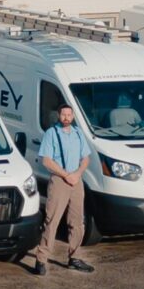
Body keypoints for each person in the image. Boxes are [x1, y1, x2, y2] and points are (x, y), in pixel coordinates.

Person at [31, 105, 94, 275]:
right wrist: (66, 175)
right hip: (59, 180)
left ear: (73, 116)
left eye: (69, 114)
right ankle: (41, 260)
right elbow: (46, 161)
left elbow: (86, 158)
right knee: (52, 221)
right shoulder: (52, 133)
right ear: (58, 115)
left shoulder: (78, 133)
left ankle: (75, 258)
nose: (66, 117)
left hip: (76, 181)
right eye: (63, 114)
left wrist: (77, 174)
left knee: (77, 222)